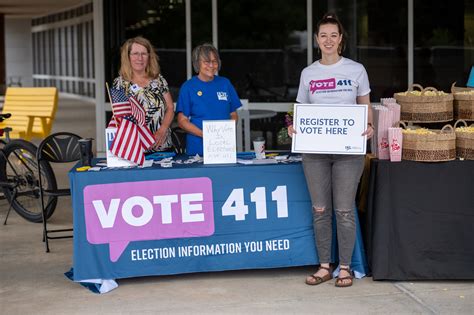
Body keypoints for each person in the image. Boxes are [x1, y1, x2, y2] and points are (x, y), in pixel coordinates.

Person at [288, 13, 374, 287]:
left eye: (333, 35)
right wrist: (294, 126)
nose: (328, 40)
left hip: (349, 151)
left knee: (344, 210)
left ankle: (345, 267)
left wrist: (369, 125)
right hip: (315, 153)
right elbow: (299, 109)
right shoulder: (308, 73)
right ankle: (325, 266)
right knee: (321, 209)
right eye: (323, 35)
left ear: (341, 40)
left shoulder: (356, 70)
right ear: (316, 40)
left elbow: (365, 106)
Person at [176, 43, 241, 156]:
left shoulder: (225, 83)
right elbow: (182, 121)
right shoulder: (188, 87)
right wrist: (207, 135)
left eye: (214, 61)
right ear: (197, 63)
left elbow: (234, 115)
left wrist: (225, 133)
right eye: (206, 61)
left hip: (224, 148)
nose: (211, 65)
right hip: (198, 150)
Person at [113, 36, 174, 151]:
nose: (139, 58)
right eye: (135, 53)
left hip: (162, 145)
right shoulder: (119, 83)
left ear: (149, 57)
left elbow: (170, 107)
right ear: (127, 57)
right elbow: (120, 117)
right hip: (135, 148)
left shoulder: (159, 80)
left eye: (144, 54)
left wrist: (163, 129)